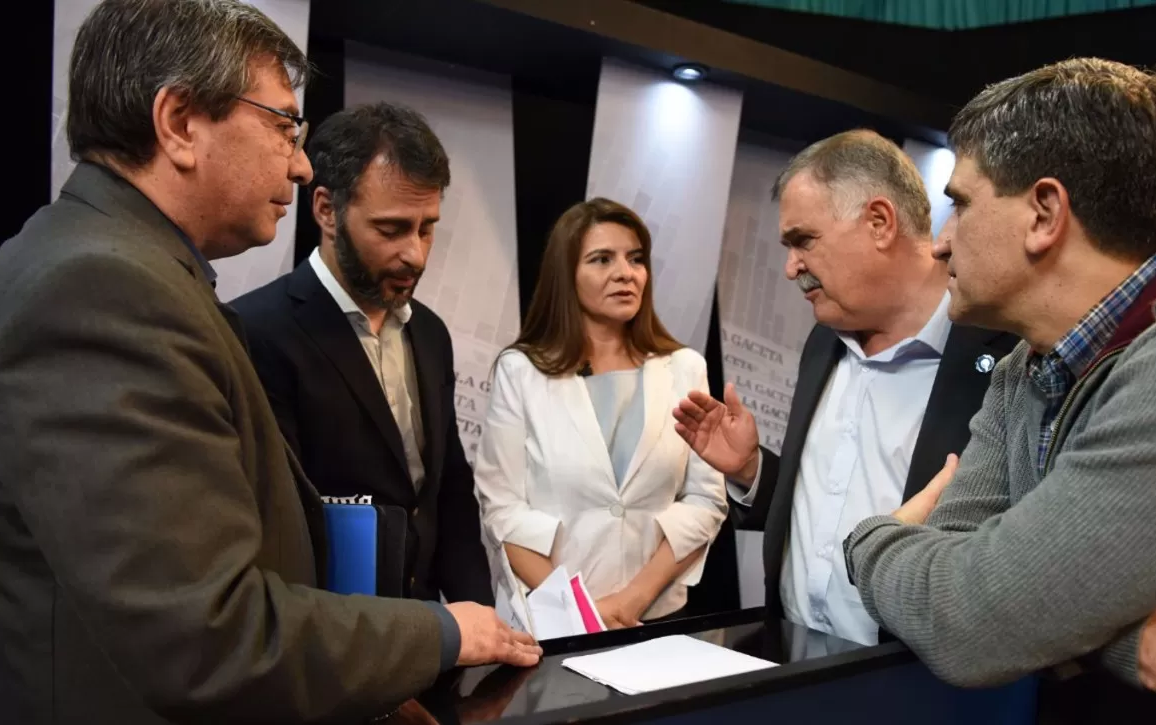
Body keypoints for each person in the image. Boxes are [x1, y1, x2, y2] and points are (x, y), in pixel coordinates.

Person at [0, 2, 537, 723]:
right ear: (180, 122)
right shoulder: (103, 290)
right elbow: (207, 634)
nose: (301, 160)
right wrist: (442, 632)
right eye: (283, 123)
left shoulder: (121, 269)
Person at [840, 58, 1156, 724]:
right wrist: (1133, 637)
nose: (941, 244)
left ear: (1044, 214)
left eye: (960, 203)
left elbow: (972, 618)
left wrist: (869, 541)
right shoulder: (1022, 365)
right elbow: (982, 586)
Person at [671, 129, 1017, 646]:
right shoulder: (823, 340)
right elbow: (827, 501)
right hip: (789, 666)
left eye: (803, 241)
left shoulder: (1005, 359)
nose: (791, 268)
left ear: (879, 222)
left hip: (911, 685)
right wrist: (752, 470)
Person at [231, 102, 492, 606]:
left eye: (427, 227)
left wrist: (478, 624)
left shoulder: (432, 334)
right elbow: (277, 536)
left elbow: (449, 494)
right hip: (332, 653)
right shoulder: (257, 331)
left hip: (434, 641)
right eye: (391, 230)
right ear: (326, 210)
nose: (415, 254)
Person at [474, 198, 728, 628]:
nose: (625, 273)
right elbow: (499, 507)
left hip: (653, 617)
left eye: (635, 259)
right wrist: (582, 608)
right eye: (601, 259)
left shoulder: (686, 367)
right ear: (566, 274)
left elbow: (706, 499)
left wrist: (632, 599)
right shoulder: (521, 371)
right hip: (550, 622)